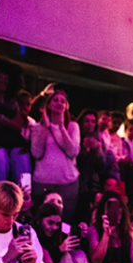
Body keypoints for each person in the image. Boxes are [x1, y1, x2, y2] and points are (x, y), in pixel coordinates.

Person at [29, 88, 81, 221]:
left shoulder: (72, 126)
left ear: (66, 106)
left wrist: (61, 128)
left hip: (67, 182)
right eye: (55, 100)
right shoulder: (37, 127)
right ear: (48, 105)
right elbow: (36, 153)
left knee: (65, 223)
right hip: (43, 181)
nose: (59, 103)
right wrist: (46, 128)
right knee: (41, 221)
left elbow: (72, 152)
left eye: (63, 101)